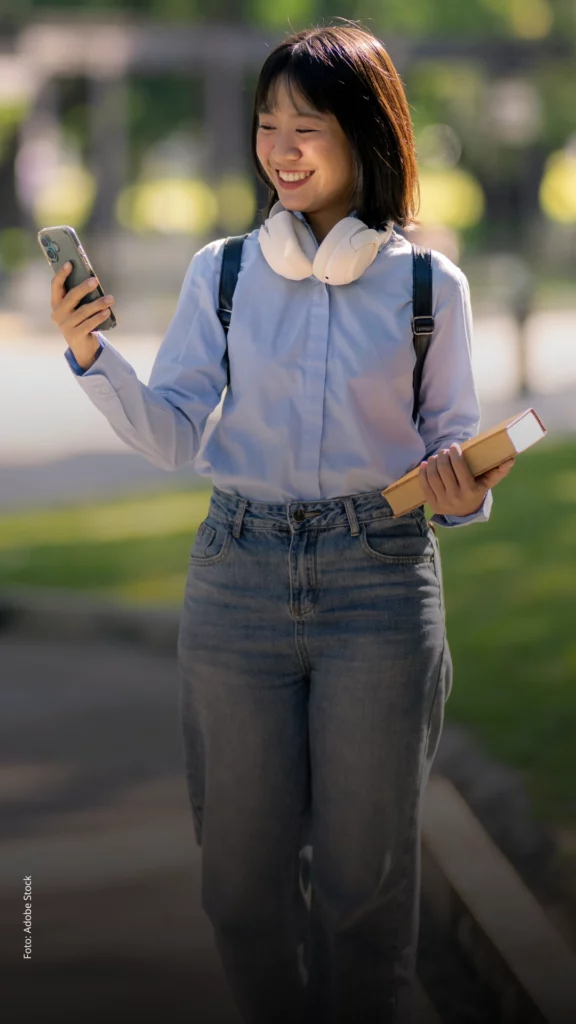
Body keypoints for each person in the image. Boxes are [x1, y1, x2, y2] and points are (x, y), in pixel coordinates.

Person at [50, 22, 515, 1024]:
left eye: (307, 126)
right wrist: (95, 359)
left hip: (381, 586)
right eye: (268, 125)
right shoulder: (222, 274)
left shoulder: (432, 288)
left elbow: (457, 449)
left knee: (365, 895)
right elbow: (177, 434)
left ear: (366, 135)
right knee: (242, 891)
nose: (280, 147)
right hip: (238, 578)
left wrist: (458, 484)